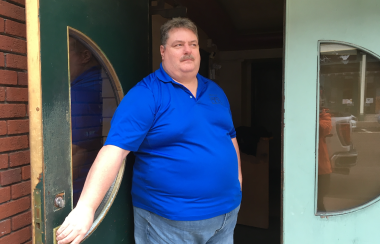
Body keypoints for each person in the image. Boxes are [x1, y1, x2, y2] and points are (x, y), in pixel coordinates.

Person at [56, 18, 242, 244]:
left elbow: (229, 136)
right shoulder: (146, 95)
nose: (187, 50)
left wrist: (237, 182)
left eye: (193, 44)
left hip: (225, 216)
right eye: (178, 45)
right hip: (169, 223)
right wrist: (86, 207)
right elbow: (114, 151)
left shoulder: (215, 91)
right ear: (163, 51)